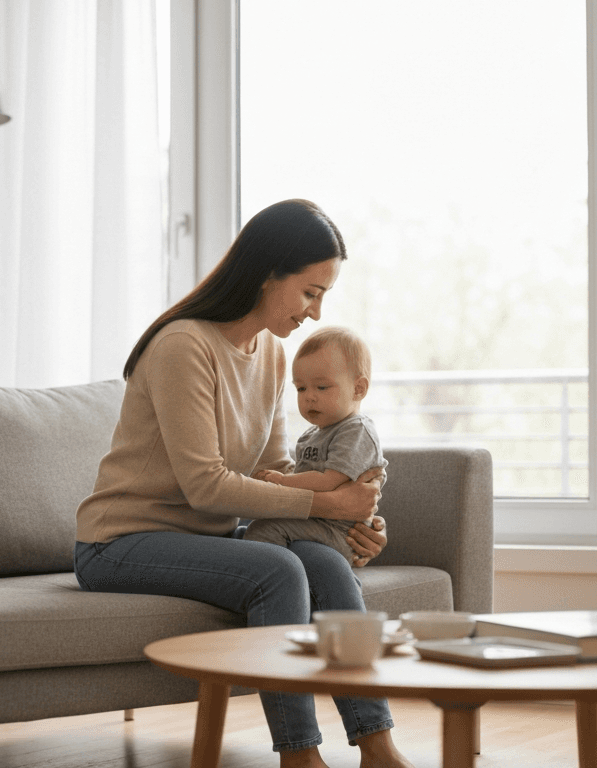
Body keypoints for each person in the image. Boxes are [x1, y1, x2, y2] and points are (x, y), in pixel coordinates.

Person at [74, 199, 415, 768]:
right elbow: (208, 486)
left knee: (324, 564)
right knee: (277, 569)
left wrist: (347, 521)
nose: (316, 311)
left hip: (200, 540)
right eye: (310, 291)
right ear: (267, 274)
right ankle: (299, 756)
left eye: (323, 295)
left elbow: (274, 471)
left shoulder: (274, 357)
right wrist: (327, 500)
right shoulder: (184, 345)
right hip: (120, 542)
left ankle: (376, 743)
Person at [244, 325, 388, 564]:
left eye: (321, 387)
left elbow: (327, 481)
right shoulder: (313, 434)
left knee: (265, 531)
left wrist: (281, 481)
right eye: (301, 388)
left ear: (358, 389)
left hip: (339, 531)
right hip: (315, 519)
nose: (309, 396)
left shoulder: (356, 430)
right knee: (257, 530)